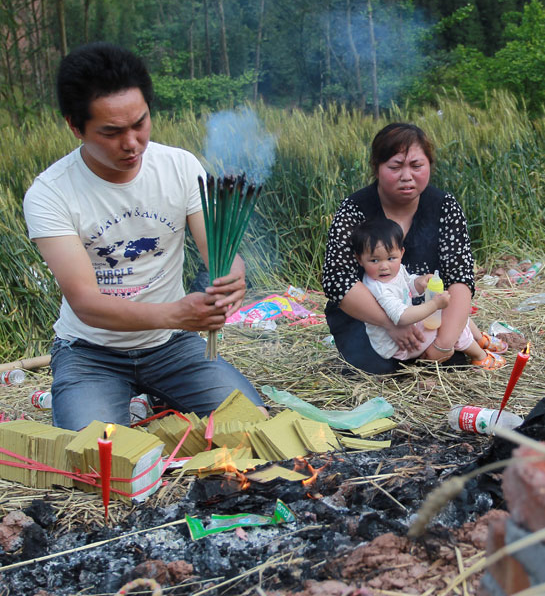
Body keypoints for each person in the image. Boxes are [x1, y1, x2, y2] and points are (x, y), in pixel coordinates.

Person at [23, 42, 266, 431]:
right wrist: (176, 313)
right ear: (75, 126)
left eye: (140, 123)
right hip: (91, 351)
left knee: (253, 425)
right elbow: (86, 303)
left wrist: (231, 278)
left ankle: (160, 393)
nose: (132, 143)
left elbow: (219, 250)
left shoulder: (180, 166)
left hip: (172, 345)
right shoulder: (50, 193)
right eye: (112, 132)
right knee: (96, 455)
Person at [322, 122, 507, 374]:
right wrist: (391, 323)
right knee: (379, 370)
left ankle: (466, 335)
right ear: (376, 168)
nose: (407, 176)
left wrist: (442, 346)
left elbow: (459, 278)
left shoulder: (444, 206)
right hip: (367, 321)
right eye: (395, 167)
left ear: (429, 165)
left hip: (427, 315)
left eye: (416, 166)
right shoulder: (354, 209)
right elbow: (338, 280)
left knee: (452, 361)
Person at [350, 218, 506, 369]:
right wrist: (434, 304)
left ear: (401, 252)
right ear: (360, 259)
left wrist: (419, 282)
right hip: (399, 345)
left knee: (455, 310)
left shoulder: (394, 271)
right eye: (375, 261)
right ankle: (479, 357)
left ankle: (479, 338)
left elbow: (407, 283)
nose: (384, 266)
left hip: (407, 328)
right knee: (449, 323)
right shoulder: (378, 287)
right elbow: (402, 317)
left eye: (391, 258)